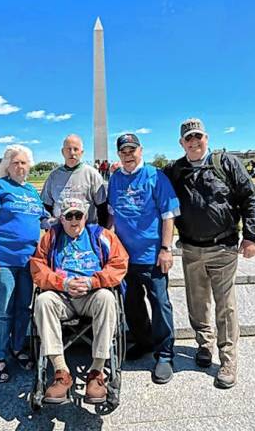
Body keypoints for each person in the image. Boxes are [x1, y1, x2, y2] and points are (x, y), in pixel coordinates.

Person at [164, 118, 255, 389]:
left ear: (206, 138)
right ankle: (204, 345)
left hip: (223, 247)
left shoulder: (226, 163)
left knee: (225, 305)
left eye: (198, 137)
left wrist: (251, 236)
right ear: (181, 143)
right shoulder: (175, 170)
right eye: (188, 139)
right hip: (192, 248)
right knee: (197, 302)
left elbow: (249, 197)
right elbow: (155, 188)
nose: (194, 142)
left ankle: (228, 359)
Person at [30, 197, 128, 404]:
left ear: (85, 217)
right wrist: (62, 283)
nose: (74, 221)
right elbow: (38, 268)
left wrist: (94, 282)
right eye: (69, 216)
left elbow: (119, 264)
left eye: (78, 215)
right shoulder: (51, 237)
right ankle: (61, 372)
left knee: (108, 298)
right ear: (61, 219)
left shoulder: (102, 236)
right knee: (43, 300)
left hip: (92, 295)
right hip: (61, 296)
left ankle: (96, 372)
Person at [108, 133, 180, 384]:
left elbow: (169, 214)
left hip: (152, 254)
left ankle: (165, 354)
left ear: (141, 150)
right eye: (123, 151)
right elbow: (113, 214)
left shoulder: (155, 176)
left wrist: (166, 248)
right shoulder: (115, 178)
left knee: (160, 303)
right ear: (119, 154)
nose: (128, 155)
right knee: (132, 303)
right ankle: (144, 340)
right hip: (125, 256)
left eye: (132, 150)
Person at [0, 145, 48, 383]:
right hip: (3, 259)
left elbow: (44, 220)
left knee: (23, 308)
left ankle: (17, 348)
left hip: (28, 261)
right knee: (2, 310)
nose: (20, 166)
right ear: (7, 165)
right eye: (16, 162)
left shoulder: (31, 191)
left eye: (24, 162)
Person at [40, 134, 109, 226]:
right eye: (68, 149)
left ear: (82, 152)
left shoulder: (92, 174)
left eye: (76, 149)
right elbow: (46, 205)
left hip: (86, 230)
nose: (72, 153)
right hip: (60, 230)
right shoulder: (54, 176)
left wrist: (101, 231)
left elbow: (102, 207)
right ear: (62, 152)